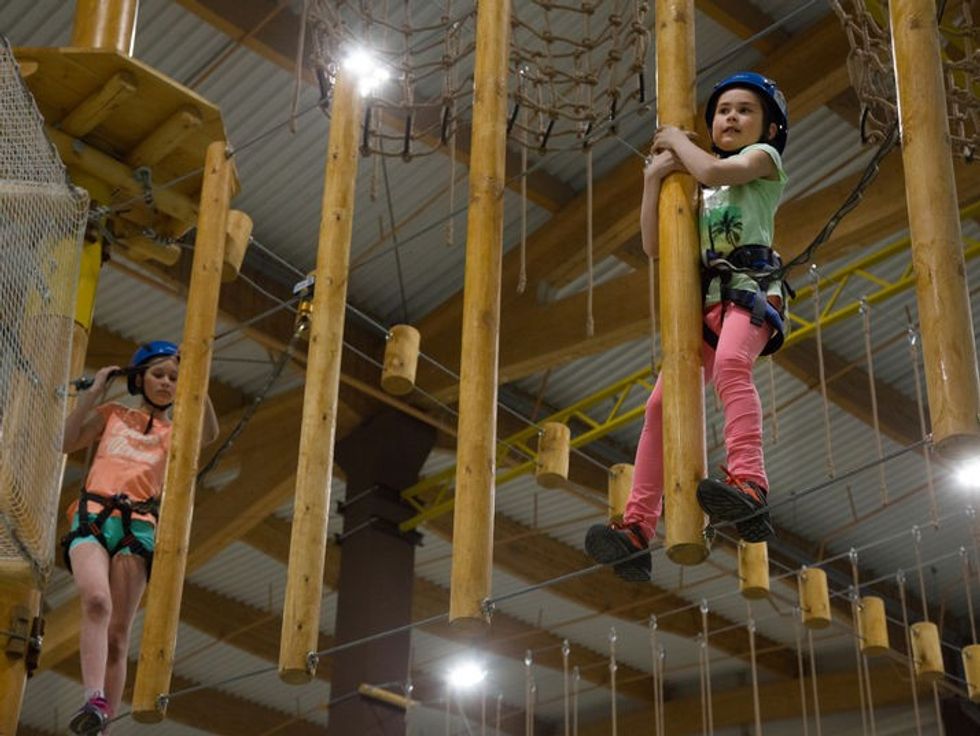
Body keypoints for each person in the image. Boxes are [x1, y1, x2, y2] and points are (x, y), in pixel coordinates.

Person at [585, 72, 791, 582]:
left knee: (731, 366)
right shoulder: (700, 186)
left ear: (767, 128)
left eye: (745, 111)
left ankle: (750, 481)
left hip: (749, 291)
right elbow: (655, 245)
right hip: (705, 306)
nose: (731, 117)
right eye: (723, 111)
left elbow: (716, 171)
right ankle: (637, 526)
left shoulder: (761, 163)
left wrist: (676, 140)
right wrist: (655, 179)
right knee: (660, 406)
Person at [60, 341, 219, 734]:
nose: (166, 383)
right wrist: (93, 394)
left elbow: (209, 433)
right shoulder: (113, 415)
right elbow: (66, 441)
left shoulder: (175, 434)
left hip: (140, 527)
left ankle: (102, 724)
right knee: (96, 601)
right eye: (158, 374)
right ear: (139, 379)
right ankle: (94, 698)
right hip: (92, 517)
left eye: (173, 379)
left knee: (118, 635)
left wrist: (197, 377)